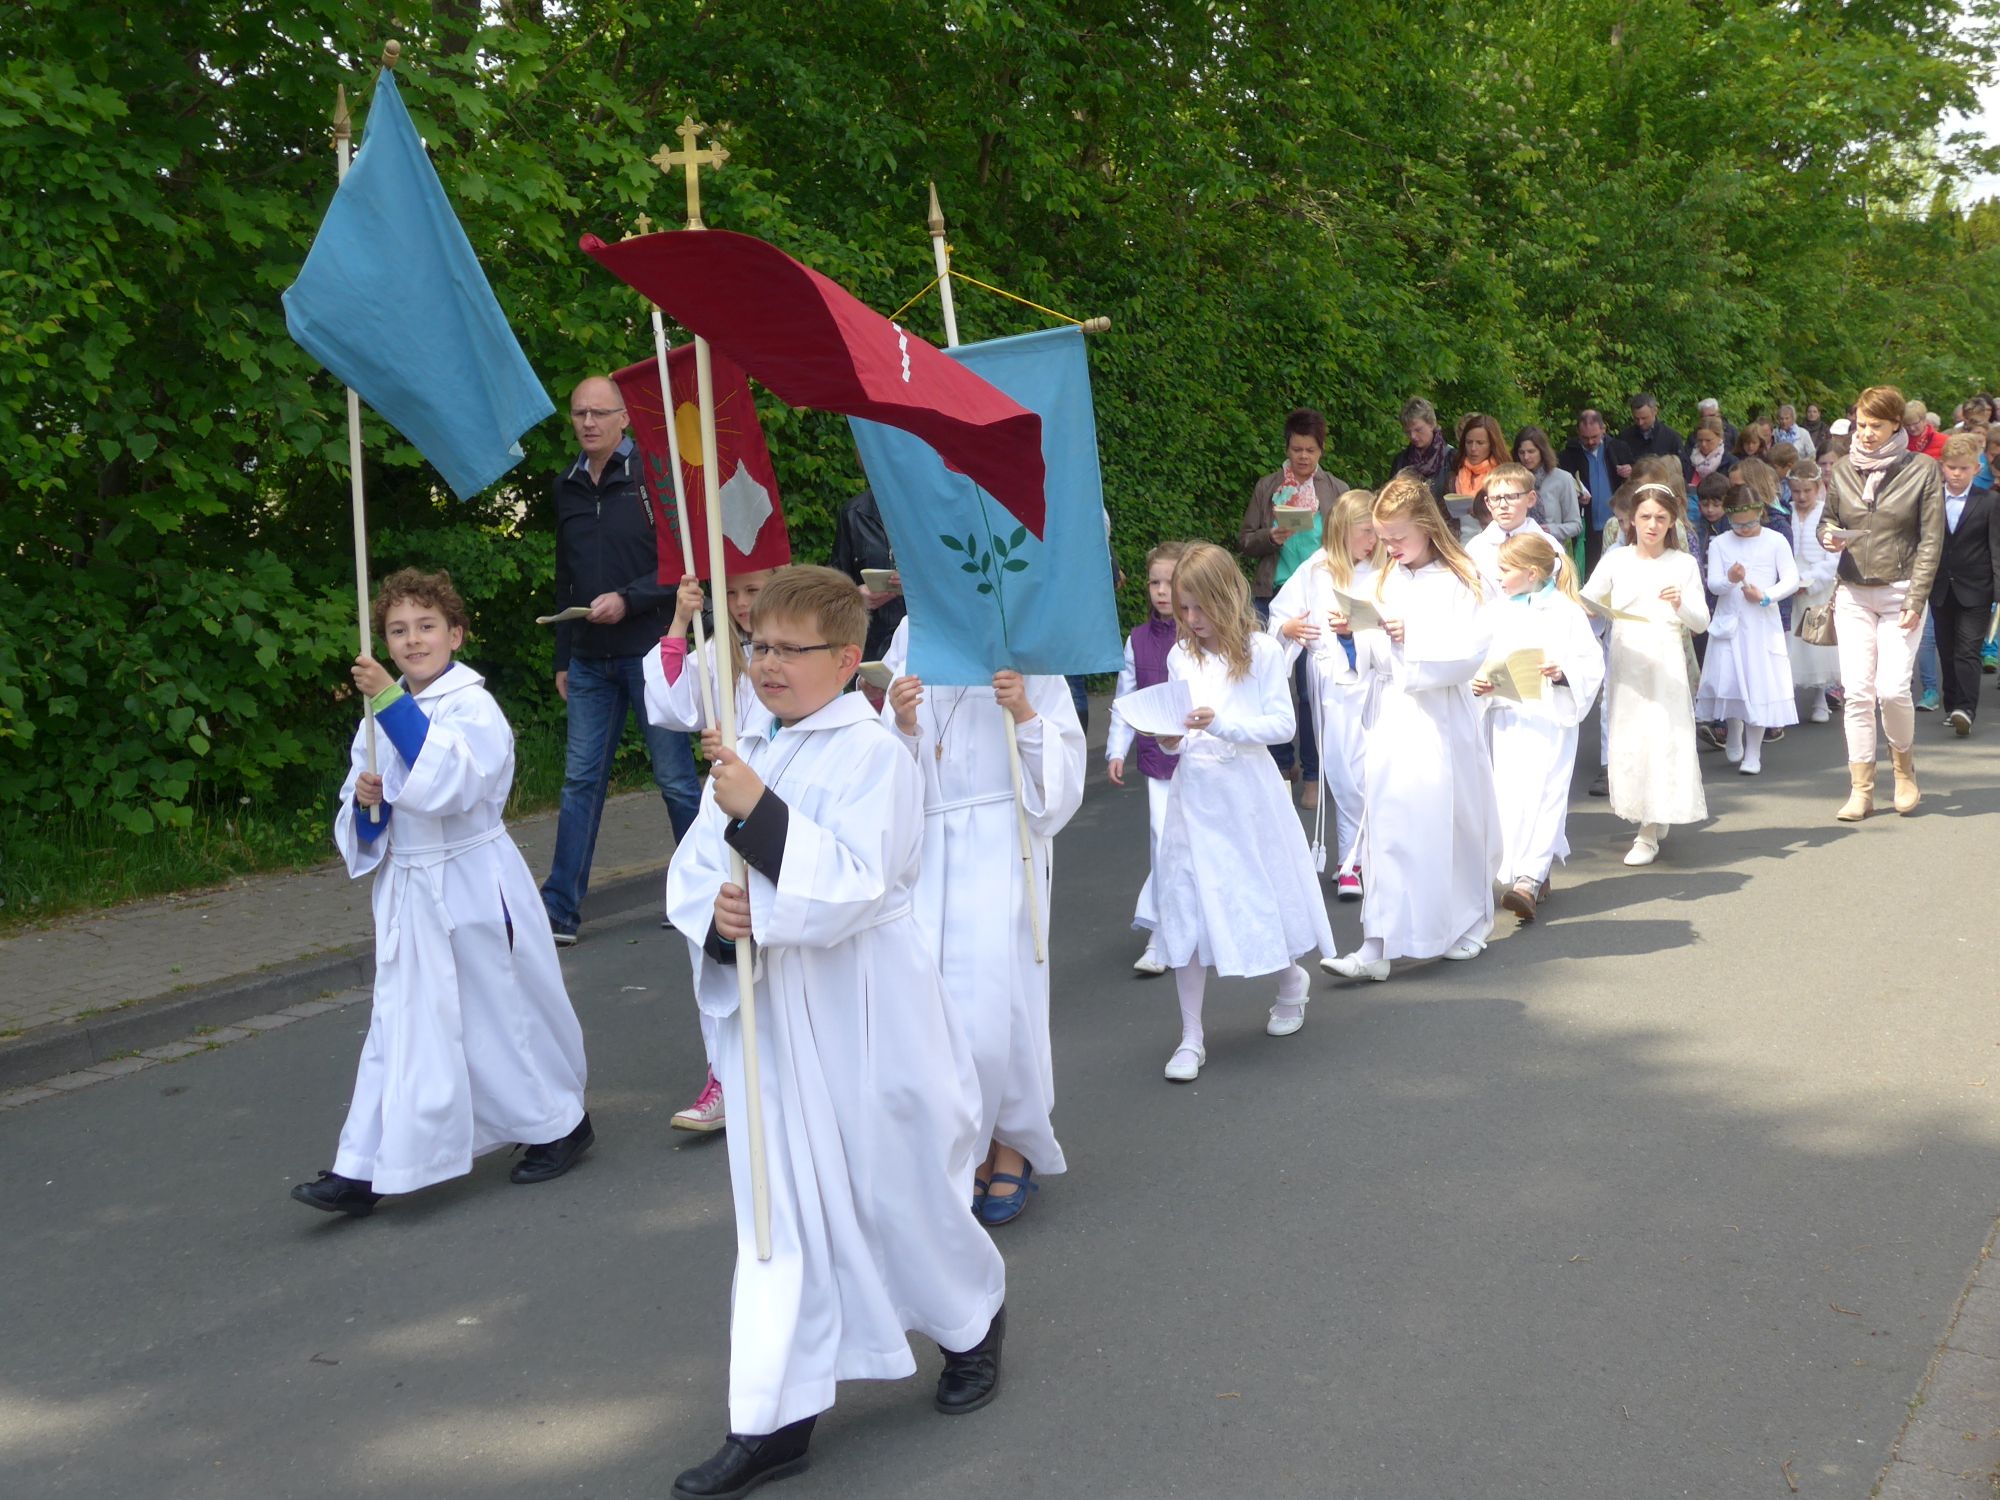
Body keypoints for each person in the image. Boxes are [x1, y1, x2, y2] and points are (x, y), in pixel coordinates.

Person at [663, 567, 1007, 1500]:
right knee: (781, 1208)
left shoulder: (873, 753)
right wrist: (716, 922)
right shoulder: (753, 747)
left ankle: (972, 1320)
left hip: (865, 1004)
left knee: (898, 1186)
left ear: (848, 658)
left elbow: (856, 882)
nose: (766, 663)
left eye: (790, 649)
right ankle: (773, 1418)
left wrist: (757, 815)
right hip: (777, 1012)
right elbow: (695, 869)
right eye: (758, 646)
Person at [294, 569, 591, 1217]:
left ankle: (559, 1124)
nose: (413, 640)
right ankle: (366, 1165)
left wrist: (388, 702)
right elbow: (367, 815)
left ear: (455, 634)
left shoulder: (471, 706)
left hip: (472, 879)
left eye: (426, 626)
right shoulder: (377, 715)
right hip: (409, 886)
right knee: (399, 1021)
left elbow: (453, 781)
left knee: (499, 1013)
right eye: (398, 630)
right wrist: (368, 805)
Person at [884, 618, 1087, 1226]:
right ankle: (966, 1144)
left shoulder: (1023, 633)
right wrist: (903, 723)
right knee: (941, 1008)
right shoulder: (913, 632)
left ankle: (1015, 1141)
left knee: (1004, 1006)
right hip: (933, 844)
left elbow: (1061, 776)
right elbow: (889, 771)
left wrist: (1024, 711)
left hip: (1005, 839)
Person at [1150, 543, 1335, 1082]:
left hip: (1247, 796)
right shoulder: (1180, 656)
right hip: (1194, 795)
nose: (1191, 619)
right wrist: (1168, 739)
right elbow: (1176, 727)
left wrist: (1222, 724)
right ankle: (1190, 1036)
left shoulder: (1263, 651)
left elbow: (1282, 725)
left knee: (1256, 893)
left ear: (1226, 596)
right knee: (1186, 905)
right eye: (1184, 608)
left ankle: (1290, 980)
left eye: (1200, 607)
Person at [542, 375, 703, 947]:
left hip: (652, 654)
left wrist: (629, 600)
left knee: (676, 780)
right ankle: (559, 911)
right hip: (588, 659)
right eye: (579, 413)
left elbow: (684, 566)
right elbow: (565, 576)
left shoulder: (655, 478)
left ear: (624, 417)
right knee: (580, 782)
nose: (588, 423)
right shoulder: (566, 485)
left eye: (599, 413)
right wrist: (564, 654)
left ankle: (703, 892)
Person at [1323, 476, 1500, 981]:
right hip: (1392, 716)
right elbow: (1371, 656)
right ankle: (1376, 945)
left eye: (1398, 537)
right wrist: (1353, 633)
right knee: (1388, 825)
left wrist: (1411, 637)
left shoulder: (1465, 579)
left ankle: (1468, 923)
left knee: (1451, 822)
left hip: (1441, 715)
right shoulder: (1383, 580)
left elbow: (1472, 652)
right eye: (1383, 539)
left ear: (1426, 525)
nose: (1390, 548)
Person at [642, 568, 779, 1134]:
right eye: (733, 592)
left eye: (754, 591)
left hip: (779, 801)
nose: (743, 603)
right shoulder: (717, 650)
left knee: (772, 945)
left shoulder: (798, 647)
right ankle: (722, 1074)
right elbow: (673, 706)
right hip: (721, 807)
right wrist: (681, 618)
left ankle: (777, 1071)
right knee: (711, 933)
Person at [1820, 385, 1945, 820]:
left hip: (1900, 591)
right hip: (1852, 591)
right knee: (1857, 692)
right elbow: (1828, 519)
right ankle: (1861, 788)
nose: (1866, 433)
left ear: (1896, 424)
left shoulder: (1923, 470)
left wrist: (1917, 596)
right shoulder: (1842, 469)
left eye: (1875, 425)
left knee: (1891, 689)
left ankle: (1904, 772)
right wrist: (1828, 536)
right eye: (1861, 424)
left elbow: (1931, 539)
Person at [1581, 481, 1710, 866]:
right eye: (1645, 517)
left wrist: (1680, 603)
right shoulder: (1616, 560)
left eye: (1660, 518)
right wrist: (1582, 605)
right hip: (1626, 658)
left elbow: (1701, 621)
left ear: (1671, 522)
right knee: (1631, 740)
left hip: (1665, 658)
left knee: (1662, 737)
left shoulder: (1682, 564)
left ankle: (1648, 830)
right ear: (1632, 520)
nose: (1652, 525)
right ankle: (1649, 811)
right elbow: (1589, 599)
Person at [1474, 533, 1602, 922]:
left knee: (1547, 794)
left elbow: (1590, 661)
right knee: (1512, 796)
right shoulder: (1495, 611)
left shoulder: (1566, 611)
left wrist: (1563, 673)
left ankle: (1528, 879)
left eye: (1505, 570)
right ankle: (1527, 870)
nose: (1498, 577)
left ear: (1531, 573)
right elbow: (1477, 656)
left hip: (1550, 717)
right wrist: (1480, 682)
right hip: (1508, 716)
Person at [1270, 490, 1383, 900]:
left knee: (1370, 769)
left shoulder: (1383, 571)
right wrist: (1288, 630)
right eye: (1365, 531)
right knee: (1340, 768)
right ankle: (1354, 857)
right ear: (1342, 529)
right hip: (1330, 684)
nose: (1372, 541)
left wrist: (1363, 630)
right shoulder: (1316, 570)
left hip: (1374, 681)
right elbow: (1281, 615)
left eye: (1375, 532)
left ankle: (1356, 860)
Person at [1237, 407, 1349, 786]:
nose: (1303, 457)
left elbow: (1349, 540)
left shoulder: (1336, 489)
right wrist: (1270, 537)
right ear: (1287, 448)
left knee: (1310, 686)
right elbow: (1244, 540)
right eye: (1297, 449)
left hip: (1318, 596)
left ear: (1321, 451)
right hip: (1272, 594)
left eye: (1310, 450)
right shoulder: (1268, 486)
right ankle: (1282, 765)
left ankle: (1314, 772)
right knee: (1269, 683)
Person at [1108, 541, 1187, 973]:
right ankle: (1160, 934)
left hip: (1198, 758)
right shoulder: (1137, 640)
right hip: (1157, 759)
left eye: (1169, 583)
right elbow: (1126, 699)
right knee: (1161, 838)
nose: (1161, 591)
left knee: (1195, 842)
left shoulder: (1200, 636)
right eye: (1154, 583)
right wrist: (1116, 749)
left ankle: (1199, 923)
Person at [1695, 464, 1800, 775]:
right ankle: (1734, 731)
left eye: (1751, 523)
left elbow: (1791, 578)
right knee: (1729, 681)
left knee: (1758, 684)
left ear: (1761, 514)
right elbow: (1714, 585)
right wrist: (1729, 579)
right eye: (1737, 524)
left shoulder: (1775, 541)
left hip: (1761, 624)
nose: (1744, 529)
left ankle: (1753, 752)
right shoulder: (1720, 544)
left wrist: (1766, 595)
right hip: (1730, 623)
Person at [1927, 432, 1999, 736]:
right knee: (1946, 649)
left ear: (1976, 469)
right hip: (1940, 586)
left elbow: (1996, 546)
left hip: (1977, 587)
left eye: (1964, 468)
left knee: (1967, 650)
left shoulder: (1990, 501)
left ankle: (1966, 710)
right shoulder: (1931, 500)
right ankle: (1952, 705)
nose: (1957, 474)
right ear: (1942, 466)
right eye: (1951, 467)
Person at [828, 485, 904, 688]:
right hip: (869, 647)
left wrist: (917, 583)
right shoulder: (853, 513)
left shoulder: (930, 510)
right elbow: (832, 590)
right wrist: (855, 597)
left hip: (917, 644)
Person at [1786, 459, 1841, 723]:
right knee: (1791, 643)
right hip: (1788, 586)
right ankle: (1787, 700)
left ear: (1818, 488)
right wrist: (1789, 580)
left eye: (1807, 490)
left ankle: (1821, 699)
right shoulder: (1786, 514)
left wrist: (1809, 580)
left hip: (1816, 588)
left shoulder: (1827, 515)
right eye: (1796, 491)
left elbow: (1833, 558)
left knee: (1816, 642)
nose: (1801, 496)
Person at [1559, 407, 1635, 575]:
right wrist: (1577, 495)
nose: (1590, 442)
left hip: (1619, 524)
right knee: (1591, 572)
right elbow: (1565, 486)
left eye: (1594, 437)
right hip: (1587, 527)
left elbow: (1637, 478)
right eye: (1585, 438)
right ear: (1578, 433)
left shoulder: (1619, 448)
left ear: (1603, 429)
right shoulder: (1568, 455)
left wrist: (1631, 470)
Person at [1466, 463, 1567, 588]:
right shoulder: (1476, 547)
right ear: (1488, 503)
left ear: (1530, 499)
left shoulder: (1548, 546)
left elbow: (1560, 589)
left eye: (1512, 497)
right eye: (1495, 498)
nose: (1503, 505)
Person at [1514, 426, 1582, 545]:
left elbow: (1575, 525)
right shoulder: (1512, 479)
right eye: (1521, 452)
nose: (1526, 457)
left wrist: (1550, 530)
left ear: (1542, 451)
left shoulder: (1562, 479)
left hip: (1551, 547)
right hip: (1519, 547)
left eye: (1531, 451)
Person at [1393, 397, 1458, 506]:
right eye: (1408, 432)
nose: (1413, 436)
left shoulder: (1452, 458)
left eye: (1418, 430)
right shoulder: (1401, 461)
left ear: (1431, 424)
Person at [1454, 412, 1507, 507]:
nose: (1473, 448)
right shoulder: (1456, 471)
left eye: (1480, 443)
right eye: (1469, 442)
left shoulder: (1507, 476)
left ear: (1492, 445)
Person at [1620, 392, 1684, 462]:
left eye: (1644, 418)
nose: (1640, 423)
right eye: (1636, 418)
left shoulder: (1672, 438)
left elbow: (1681, 466)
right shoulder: (1624, 438)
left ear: (1655, 411)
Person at [1683, 416, 1733, 499]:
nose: (1703, 444)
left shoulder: (1730, 463)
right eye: (1700, 440)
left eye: (1708, 440)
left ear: (1720, 438)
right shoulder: (1686, 460)